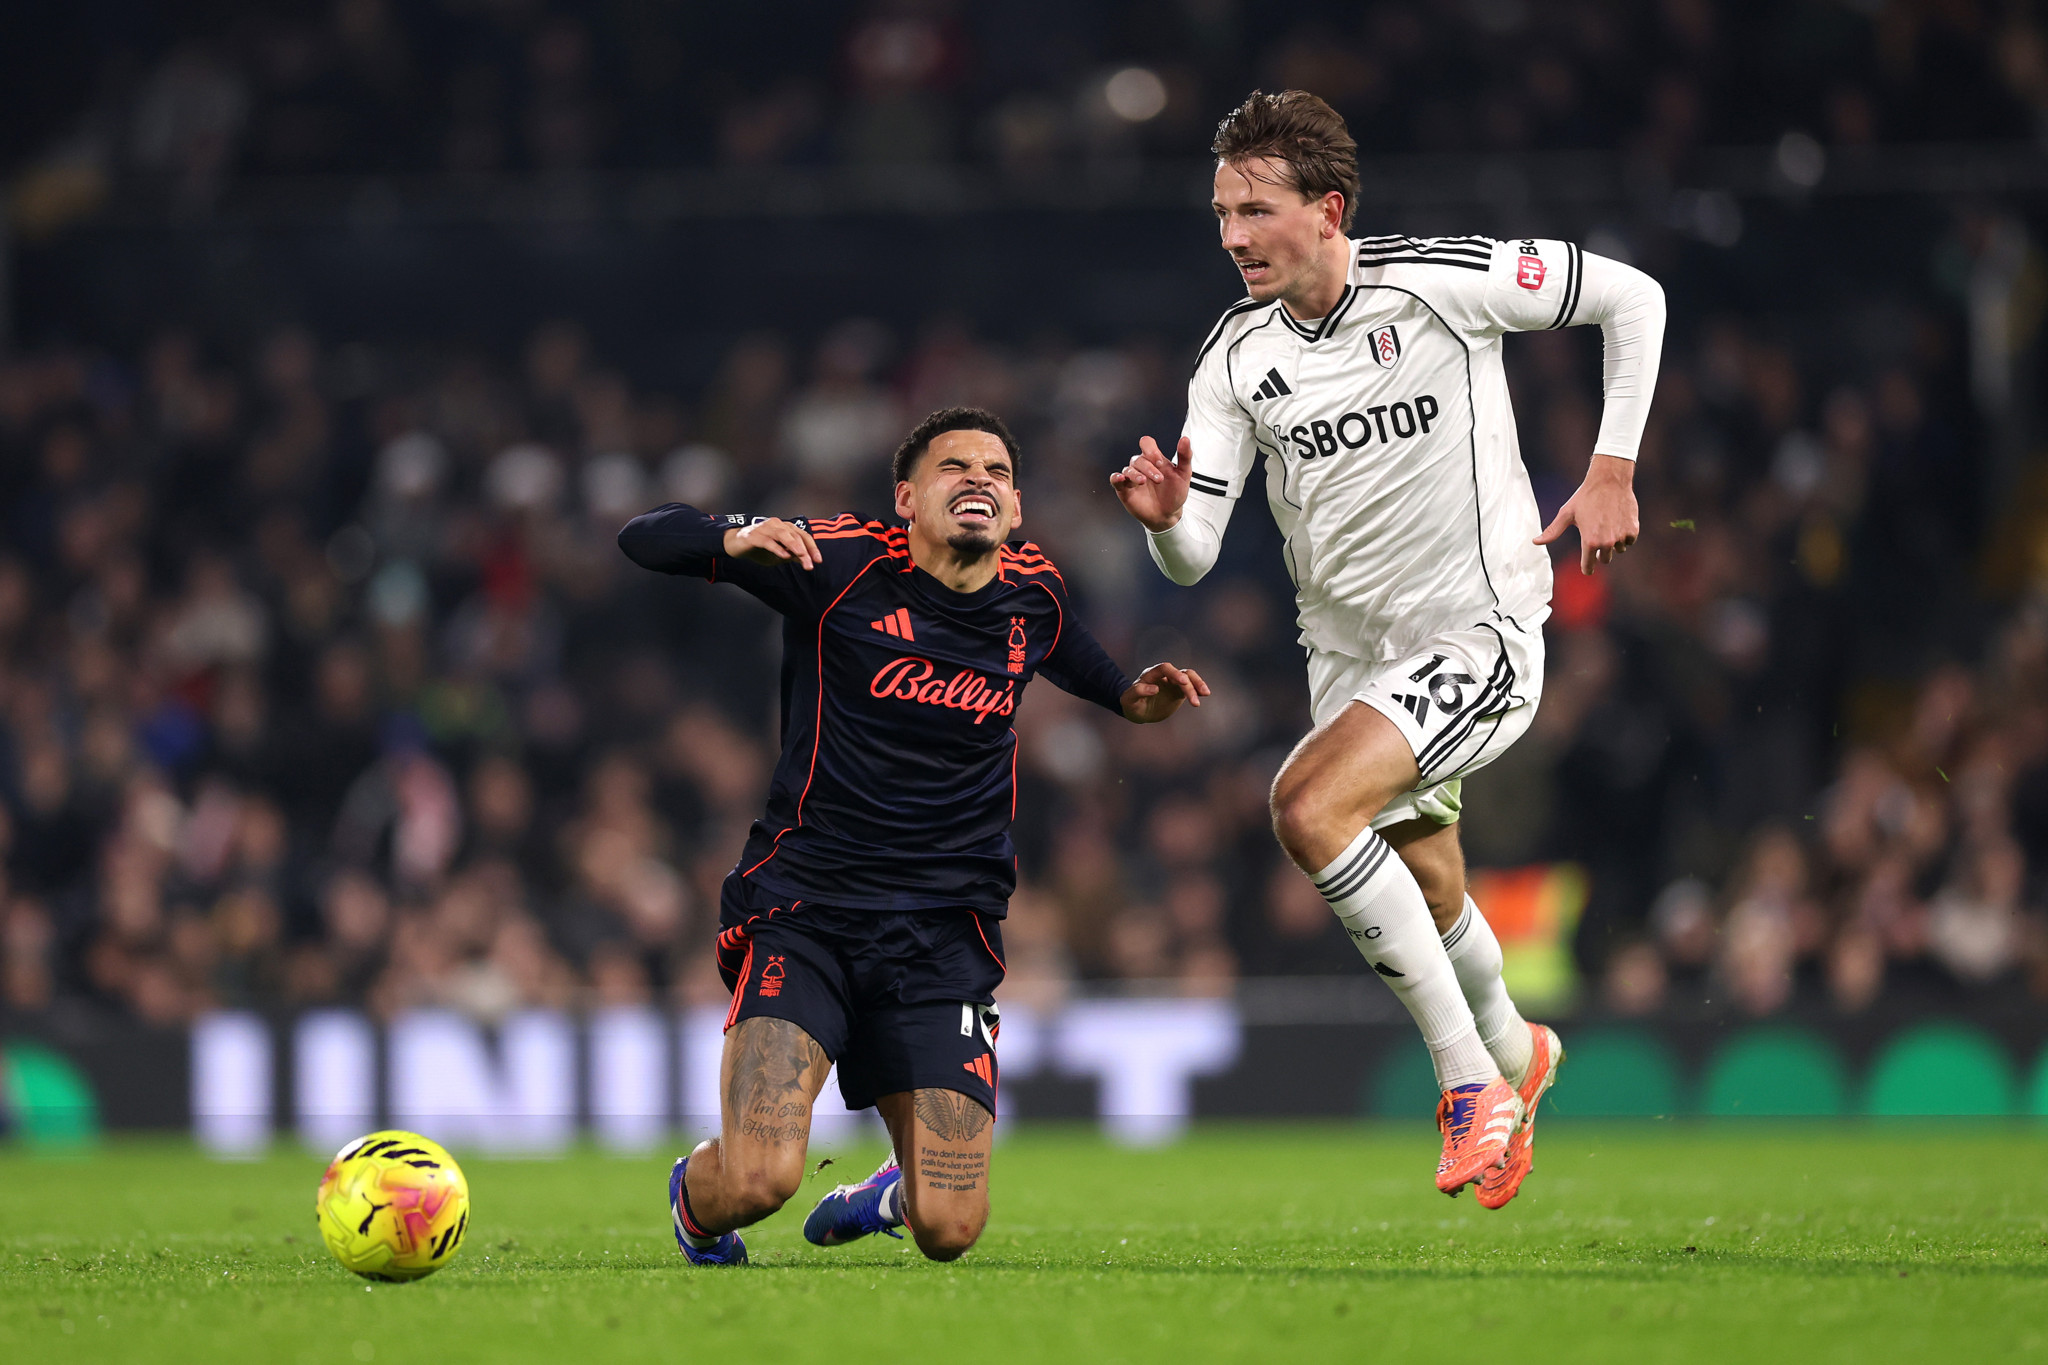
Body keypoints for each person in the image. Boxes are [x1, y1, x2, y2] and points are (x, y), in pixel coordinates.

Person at [1112, 91, 1665, 1206]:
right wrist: (1167, 520)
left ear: (1327, 211)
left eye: (1254, 211)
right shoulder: (1233, 358)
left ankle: (1467, 1084)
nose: (1232, 237)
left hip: (1478, 633)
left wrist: (1611, 467)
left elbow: (1631, 296)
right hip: (1350, 667)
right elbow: (1194, 555)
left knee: (1306, 806)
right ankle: (1515, 1049)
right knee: (1424, 880)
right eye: (1221, 214)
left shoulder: (1436, 283)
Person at [620, 406, 1208, 1263]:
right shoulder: (838, 562)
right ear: (906, 498)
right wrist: (733, 537)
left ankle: (890, 1191)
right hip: (809, 909)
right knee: (758, 1181)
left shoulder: (1034, 594)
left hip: (944, 929)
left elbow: (1099, 676)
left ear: (1015, 508)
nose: (979, 480)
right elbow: (644, 536)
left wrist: (1138, 698)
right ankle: (695, 1200)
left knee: (951, 1228)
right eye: (954, 467)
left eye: (997, 472)